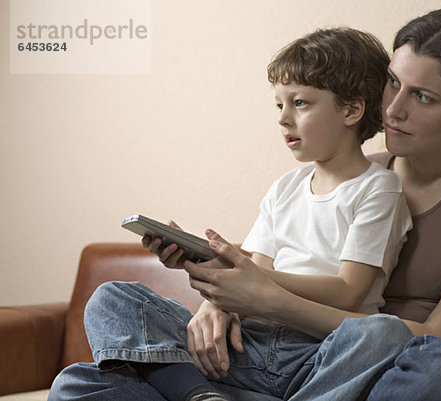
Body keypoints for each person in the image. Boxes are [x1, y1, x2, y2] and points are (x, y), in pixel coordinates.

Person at [50, 7, 441, 401]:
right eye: (393, 82)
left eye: (423, 96)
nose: (392, 109)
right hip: (261, 354)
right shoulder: (341, 168)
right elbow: (262, 266)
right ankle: (205, 395)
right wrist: (218, 302)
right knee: (78, 381)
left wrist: (263, 297)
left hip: (372, 371)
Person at [49, 27, 411, 401]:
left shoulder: (378, 188)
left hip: (317, 353)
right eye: (279, 105)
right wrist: (213, 282)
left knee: (383, 333)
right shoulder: (284, 189)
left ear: (351, 110)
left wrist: (251, 283)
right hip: (247, 349)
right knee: (104, 315)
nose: (283, 118)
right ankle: (199, 395)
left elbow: (348, 293)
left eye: (300, 103)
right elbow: (251, 276)